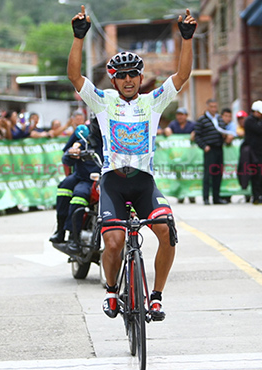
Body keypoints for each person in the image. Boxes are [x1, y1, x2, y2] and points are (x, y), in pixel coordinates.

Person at [67, 5, 196, 320]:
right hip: (113, 181)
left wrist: (187, 39)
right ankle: (112, 292)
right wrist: (78, 37)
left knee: (166, 230)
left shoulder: (153, 101)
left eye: (132, 75)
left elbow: (182, 75)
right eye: (120, 75)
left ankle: (156, 296)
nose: (127, 80)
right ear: (113, 80)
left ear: (141, 77)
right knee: (113, 243)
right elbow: (74, 76)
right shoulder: (103, 101)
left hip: (143, 182)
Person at [50, 116, 103, 255]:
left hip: (109, 180)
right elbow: (66, 157)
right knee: (72, 192)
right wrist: (73, 153)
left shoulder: (116, 143)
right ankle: (70, 234)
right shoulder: (84, 142)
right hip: (86, 179)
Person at [194, 99, 229, 205]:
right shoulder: (202, 119)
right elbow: (197, 135)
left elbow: (223, 130)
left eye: (215, 106)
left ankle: (216, 197)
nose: (214, 109)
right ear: (207, 107)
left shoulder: (219, 119)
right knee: (208, 174)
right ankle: (206, 198)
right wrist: (204, 147)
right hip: (209, 149)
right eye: (211, 106)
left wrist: (225, 137)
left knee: (218, 174)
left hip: (219, 148)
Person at [241, 101, 262, 204]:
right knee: (256, 175)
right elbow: (259, 130)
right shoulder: (249, 121)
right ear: (255, 112)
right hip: (254, 153)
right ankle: (256, 197)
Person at [164, 107, 196, 204]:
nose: (180, 117)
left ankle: (191, 194)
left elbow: (199, 131)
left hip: (190, 156)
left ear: (186, 116)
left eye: (182, 114)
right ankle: (180, 195)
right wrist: (167, 130)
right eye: (178, 114)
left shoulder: (192, 125)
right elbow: (167, 131)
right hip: (177, 156)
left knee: (191, 174)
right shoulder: (173, 124)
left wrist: (195, 133)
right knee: (179, 175)